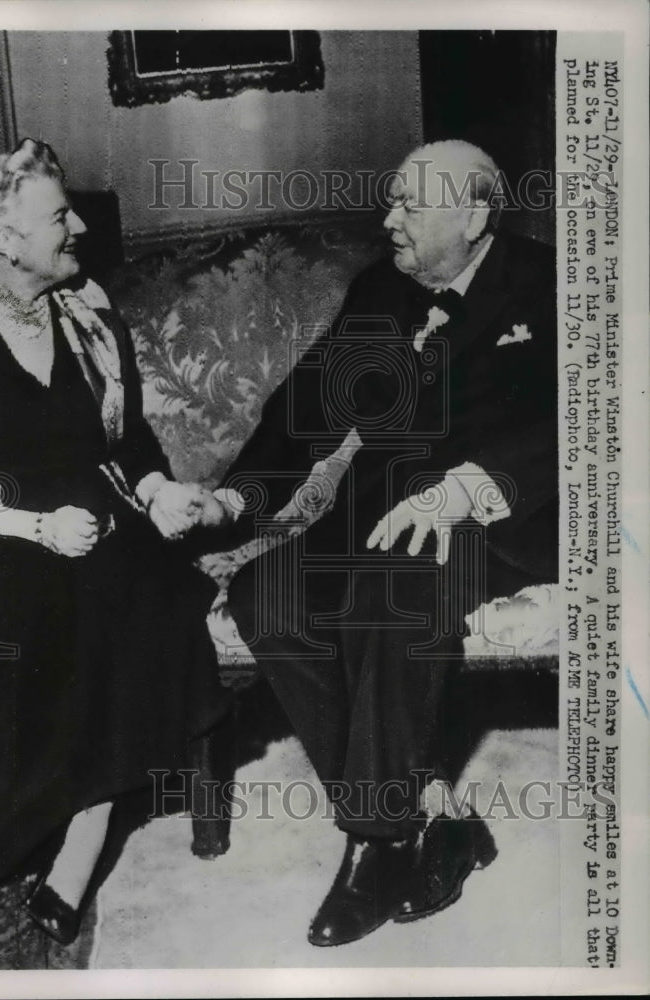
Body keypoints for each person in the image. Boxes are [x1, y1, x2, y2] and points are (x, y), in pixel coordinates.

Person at [201, 140, 557, 946]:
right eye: (391, 201)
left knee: (397, 582)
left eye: (410, 206)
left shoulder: (553, 281)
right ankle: (429, 817)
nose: (388, 219)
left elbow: (593, 418)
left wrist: (472, 484)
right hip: (379, 518)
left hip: (500, 519)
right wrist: (231, 497)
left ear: (473, 216)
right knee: (266, 593)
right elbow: (305, 410)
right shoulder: (381, 291)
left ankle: (373, 844)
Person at [0, 138, 229, 946]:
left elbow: (131, 443)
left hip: (103, 518)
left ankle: (86, 831)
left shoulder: (90, 311)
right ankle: (29, 816)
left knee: (130, 591)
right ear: (4, 239)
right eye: (58, 216)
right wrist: (31, 527)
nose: (78, 225)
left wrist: (159, 491)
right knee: (1, 613)